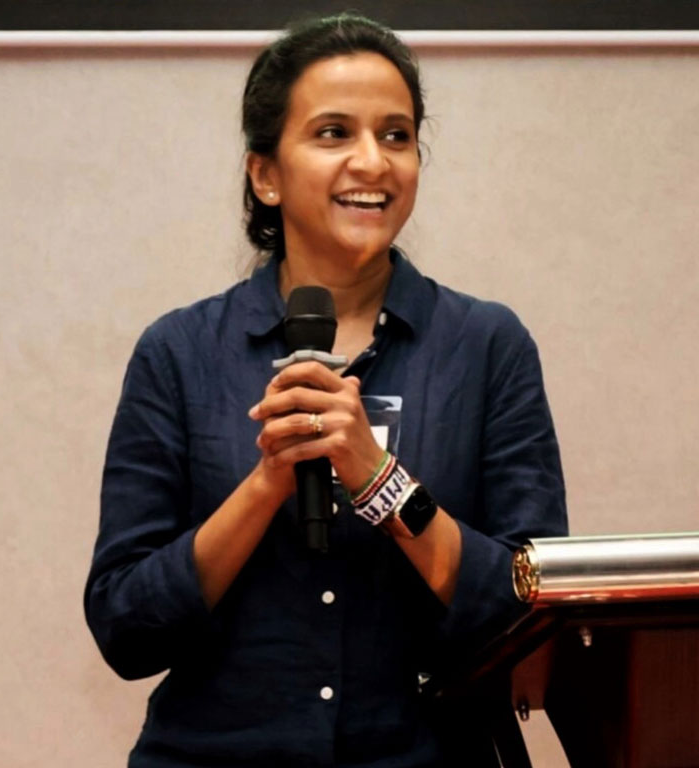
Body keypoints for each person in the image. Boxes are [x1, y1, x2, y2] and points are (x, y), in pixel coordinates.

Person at [84, 13, 567, 768]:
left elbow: (531, 611)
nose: (373, 162)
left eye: (397, 135)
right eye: (334, 133)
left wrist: (378, 480)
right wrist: (269, 480)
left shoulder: (486, 346)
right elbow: (125, 628)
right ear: (265, 174)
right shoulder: (179, 353)